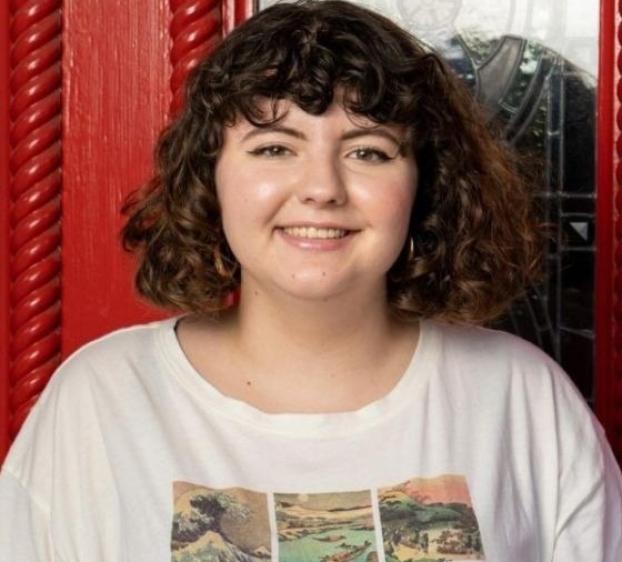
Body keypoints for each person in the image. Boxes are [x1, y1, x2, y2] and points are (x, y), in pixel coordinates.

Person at [1, 1, 621, 561]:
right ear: (210, 176)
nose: (322, 187)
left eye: (368, 151)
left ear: (423, 185)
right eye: (274, 148)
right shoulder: (103, 399)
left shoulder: (521, 399)